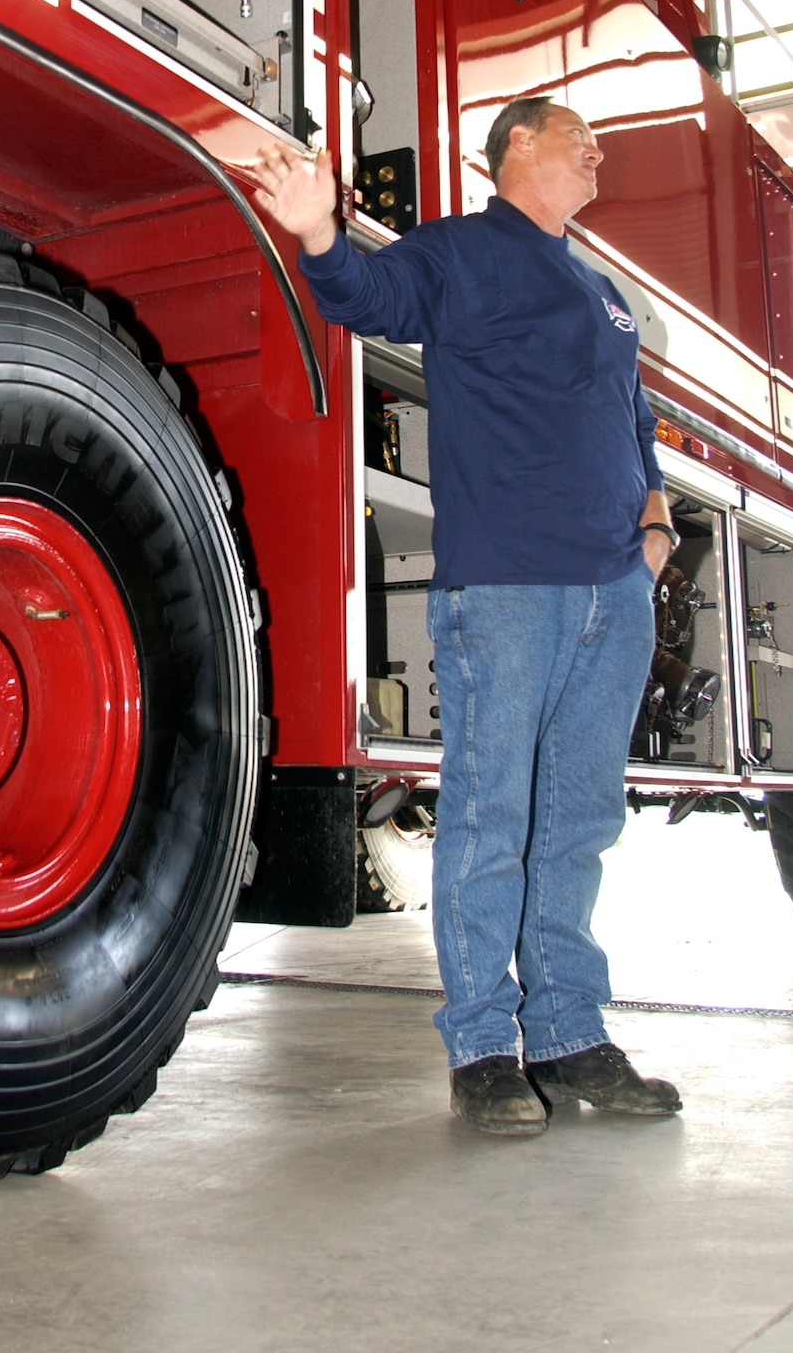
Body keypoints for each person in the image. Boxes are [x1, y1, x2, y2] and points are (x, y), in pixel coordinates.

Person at [250, 98, 681, 1138]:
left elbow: (628, 414)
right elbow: (369, 292)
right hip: (507, 588)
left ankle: (570, 1031)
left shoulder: (600, 288)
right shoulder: (464, 250)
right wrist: (316, 230)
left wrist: (655, 514)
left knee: (577, 823)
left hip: (611, 589)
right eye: (576, 130)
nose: (597, 144)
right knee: (491, 817)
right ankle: (484, 1043)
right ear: (515, 150)